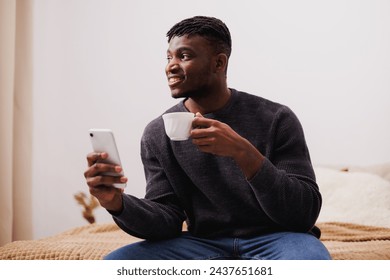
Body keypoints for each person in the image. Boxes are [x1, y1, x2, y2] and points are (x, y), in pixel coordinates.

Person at [84, 16, 331, 260]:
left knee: (311, 262)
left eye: (184, 56)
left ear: (219, 63)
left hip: (278, 237)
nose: (171, 65)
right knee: (115, 265)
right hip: (202, 242)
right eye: (169, 57)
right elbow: (167, 219)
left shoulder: (277, 118)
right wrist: (116, 202)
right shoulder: (157, 133)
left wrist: (243, 153)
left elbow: (303, 214)